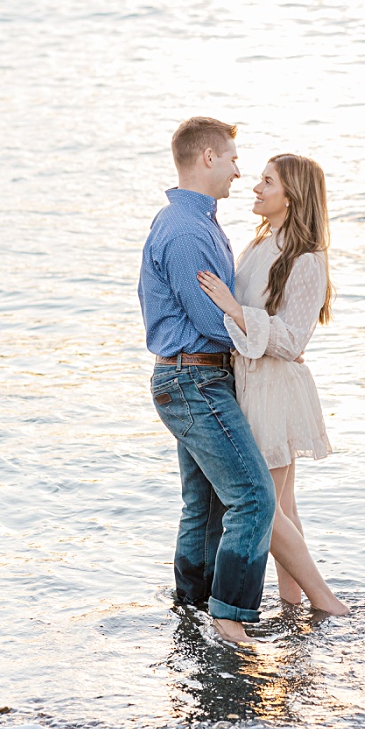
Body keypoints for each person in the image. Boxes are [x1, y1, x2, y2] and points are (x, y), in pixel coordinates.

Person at [138, 117, 276, 645]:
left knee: (207, 506)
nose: (240, 172)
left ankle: (191, 614)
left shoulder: (193, 221)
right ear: (209, 158)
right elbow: (208, 321)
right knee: (253, 498)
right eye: (235, 160)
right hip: (194, 380)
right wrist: (257, 326)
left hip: (189, 381)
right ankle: (230, 619)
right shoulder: (187, 230)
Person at [196, 154, 349, 616]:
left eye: (268, 182)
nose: (256, 188)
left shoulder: (306, 259)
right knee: (282, 505)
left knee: (269, 508)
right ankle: (293, 604)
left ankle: (327, 601)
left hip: (274, 390)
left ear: (292, 196)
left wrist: (235, 309)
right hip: (253, 382)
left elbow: (291, 339)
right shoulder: (262, 244)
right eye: (259, 179)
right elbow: (275, 334)